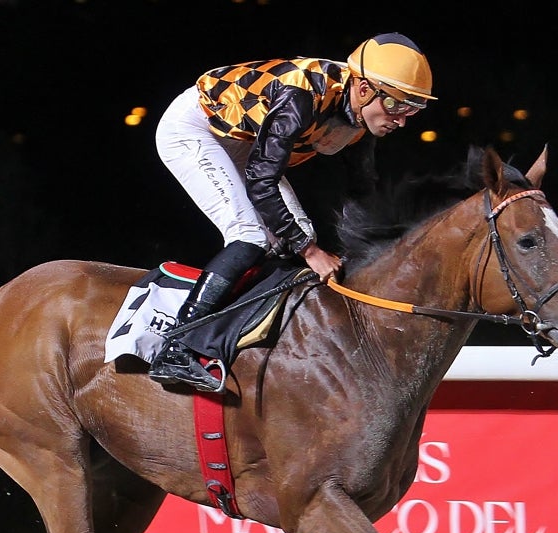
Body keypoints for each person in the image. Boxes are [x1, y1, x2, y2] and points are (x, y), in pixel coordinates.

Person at [149, 32, 436, 392]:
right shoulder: (301, 96)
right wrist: (311, 252)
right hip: (196, 129)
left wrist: (377, 250)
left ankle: (240, 338)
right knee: (250, 235)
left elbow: (362, 189)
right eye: (396, 105)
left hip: (246, 142)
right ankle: (176, 346)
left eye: (413, 109)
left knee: (293, 237)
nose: (402, 120)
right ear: (363, 88)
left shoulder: (362, 115)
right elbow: (262, 180)